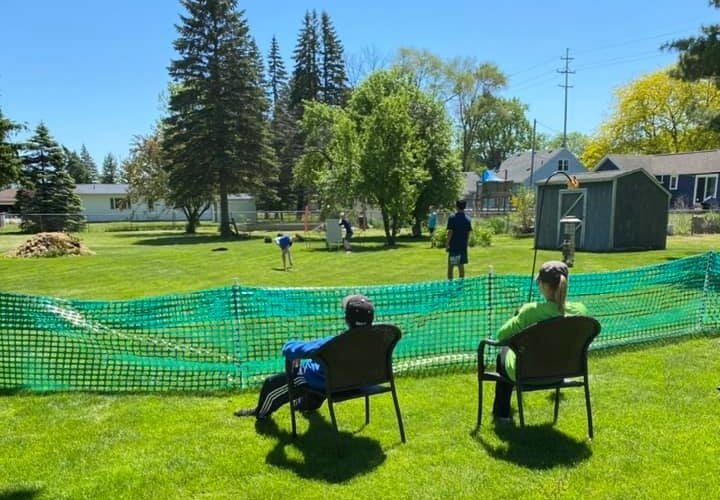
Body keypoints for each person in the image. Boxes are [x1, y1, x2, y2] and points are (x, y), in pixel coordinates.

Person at [234, 294, 375, 420]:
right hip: (359, 382)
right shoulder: (380, 340)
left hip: (328, 383)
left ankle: (260, 413)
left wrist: (290, 347)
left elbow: (290, 349)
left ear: (347, 319)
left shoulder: (334, 343)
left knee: (271, 384)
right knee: (313, 372)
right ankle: (305, 403)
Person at [491, 260, 587, 422]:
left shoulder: (530, 311)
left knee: (503, 352)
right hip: (562, 373)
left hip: (527, 374)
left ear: (543, 285)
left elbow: (501, 336)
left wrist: (518, 316)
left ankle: (502, 413)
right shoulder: (580, 310)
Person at [445, 200, 472, 279]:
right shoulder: (468, 219)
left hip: (454, 246)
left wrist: (447, 243)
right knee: (461, 267)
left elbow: (450, 232)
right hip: (462, 246)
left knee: (451, 267)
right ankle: (460, 285)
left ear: (456, 207)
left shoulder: (452, 218)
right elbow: (468, 234)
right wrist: (466, 244)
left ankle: (450, 285)